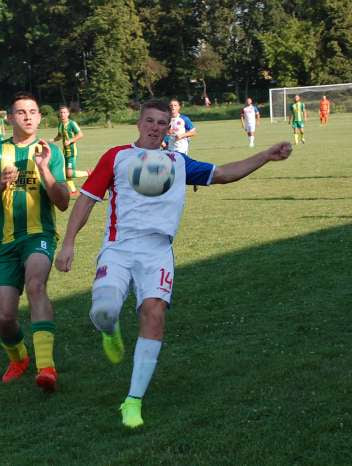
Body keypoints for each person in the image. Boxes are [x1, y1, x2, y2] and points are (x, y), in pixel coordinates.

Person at [54, 99, 293, 429]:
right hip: (119, 249)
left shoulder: (178, 162)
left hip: (158, 252)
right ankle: (109, 328)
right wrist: (68, 243)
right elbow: (87, 201)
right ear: (139, 124)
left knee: (154, 313)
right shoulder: (116, 157)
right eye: (149, 121)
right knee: (105, 310)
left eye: (162, 123)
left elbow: (223, 173)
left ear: (169, 128)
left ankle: (133, 401)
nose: (155, 127)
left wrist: (265, 155)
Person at [0, 92, 70, 391]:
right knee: (4, 317)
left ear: (40, 118)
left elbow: (63, 202)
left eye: (33, 111)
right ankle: (19, 359)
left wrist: (43, 168)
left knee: (36, 285)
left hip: (38, 236)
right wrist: (2, 183)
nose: (28, 116)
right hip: (3, 244)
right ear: (9, 118)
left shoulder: (49, 151)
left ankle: (47, 368)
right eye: (21, 112)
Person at [54, 105, 87, 195]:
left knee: (69, 173)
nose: (63, 114)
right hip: (65, 152)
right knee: (65, 173)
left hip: (72, 152)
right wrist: (52, 140)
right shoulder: (60, 124)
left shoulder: (72, 123)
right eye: (61, 112)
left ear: (68, 114)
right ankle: (73, 191)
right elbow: (59, 136)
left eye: (64, 112)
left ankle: (88, 173)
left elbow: (80, 134)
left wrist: (70, 141)